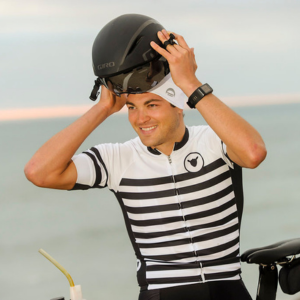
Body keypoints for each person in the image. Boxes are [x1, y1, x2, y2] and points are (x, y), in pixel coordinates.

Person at [25, 14, 267, 300]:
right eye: (131, 107)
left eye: (152, 104)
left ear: (180, 105)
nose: (141, 119)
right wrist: (102, 109)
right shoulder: (118, 158)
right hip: (160, 293)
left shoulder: (215, 140)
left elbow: (253, 153)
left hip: (227, 288)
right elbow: (39, 172)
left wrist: (190, 82)